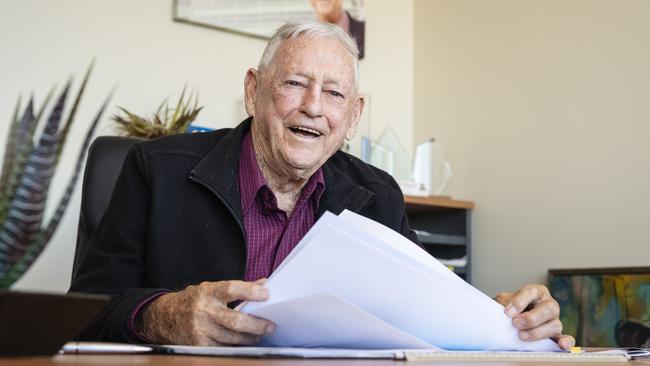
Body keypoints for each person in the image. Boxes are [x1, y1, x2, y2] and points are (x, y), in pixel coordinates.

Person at [70, 20, 575, 350]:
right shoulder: (156, 170)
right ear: (253, 91)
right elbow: (83, 311)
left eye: (334, 93)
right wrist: (161, 316)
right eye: (294, 83)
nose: (313, 106)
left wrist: (513, 323)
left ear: (352, 116)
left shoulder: (377, 195)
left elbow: (425, 312)